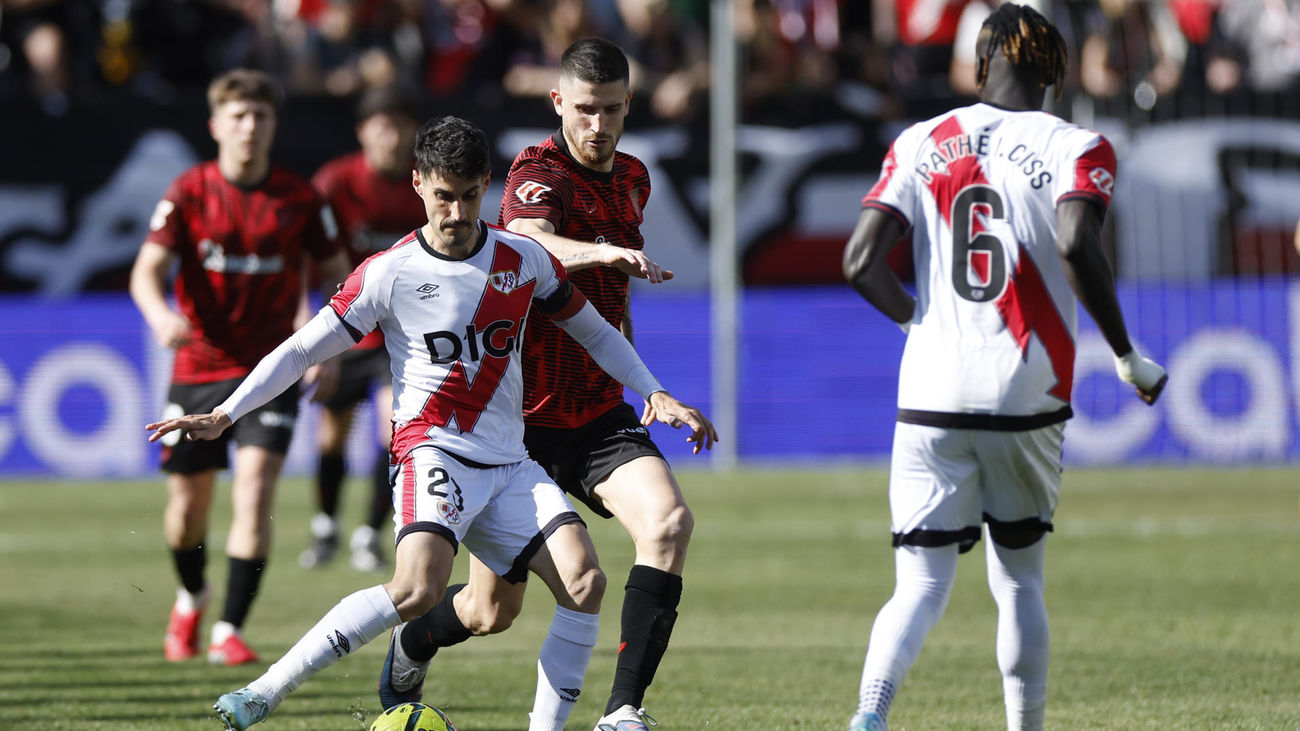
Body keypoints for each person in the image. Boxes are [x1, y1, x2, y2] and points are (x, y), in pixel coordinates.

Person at [145, 115, 715, 731]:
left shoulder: (522, 260)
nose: (456, 212)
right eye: (444, 196)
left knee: (581, 582)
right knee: (417, 588)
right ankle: (262, 693)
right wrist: (229, 412)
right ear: (419, 184)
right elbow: (304, 348)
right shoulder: (388, 272)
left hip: (509, 462)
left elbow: (596, 332)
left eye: (470, 197)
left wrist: (655, 391)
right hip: (433, 454)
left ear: (486, 188)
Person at [839, 5, 1168, 730]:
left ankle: (869, 714)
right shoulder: (1079, 145)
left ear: (980, 66)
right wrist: (1124, 353)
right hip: (1027, 384)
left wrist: (917, 322)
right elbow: (1079, 241)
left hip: (929, 386)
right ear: (1056, 74)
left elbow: (860, 260)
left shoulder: (921, 138)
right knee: (1018, 578)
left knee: (918, 581)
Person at [380, 37, 716, 731]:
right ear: (559, 101)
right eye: (587, 109)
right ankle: (415, 638)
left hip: (595, 411)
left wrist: (651, 388)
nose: (599, 126)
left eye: (613, 110)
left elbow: (607, 313)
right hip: (515, 429)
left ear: (629, 106)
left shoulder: (634, 178)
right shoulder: (538, 169)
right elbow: (531, 238)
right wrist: (602, 252)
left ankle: (622, 710)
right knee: (489, 611)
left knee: (670, 523)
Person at [130, 67, 349, 667]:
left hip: (269, 372)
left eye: (260, 116)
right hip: (198, 368)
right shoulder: (188, 192)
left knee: (254, 493)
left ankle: (228, 628)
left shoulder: (300, 199)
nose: (249, 126)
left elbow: (337, 277)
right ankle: (191, 596)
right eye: (238, 116)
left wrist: (324, 347)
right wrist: (158, 316)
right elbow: (146, 271)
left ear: (273, 124)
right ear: (216, 125)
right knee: (186, 512)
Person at [299, 85, 427, 573]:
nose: (391, 137)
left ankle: (370, 533)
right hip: (347, 325)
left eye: (399, 126)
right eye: (382, 126)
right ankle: (326, 525)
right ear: (363, 132)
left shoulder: (425, 184)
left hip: (401, 333)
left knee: (391, 430)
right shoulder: (335, 183)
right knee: (331, 436)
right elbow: (309, 257)